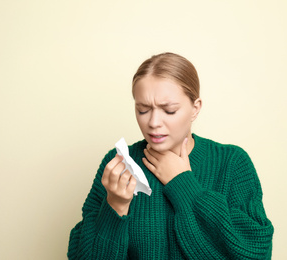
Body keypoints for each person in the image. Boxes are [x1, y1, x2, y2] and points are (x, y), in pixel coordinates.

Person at [67, 52, 274, 259]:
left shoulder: (231, 162)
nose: (154, 122)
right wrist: (115, 205)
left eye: (169, 110)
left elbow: (256, 252)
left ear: (195, 108)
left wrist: (183, 184)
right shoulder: (119, 163)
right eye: (143, 110)